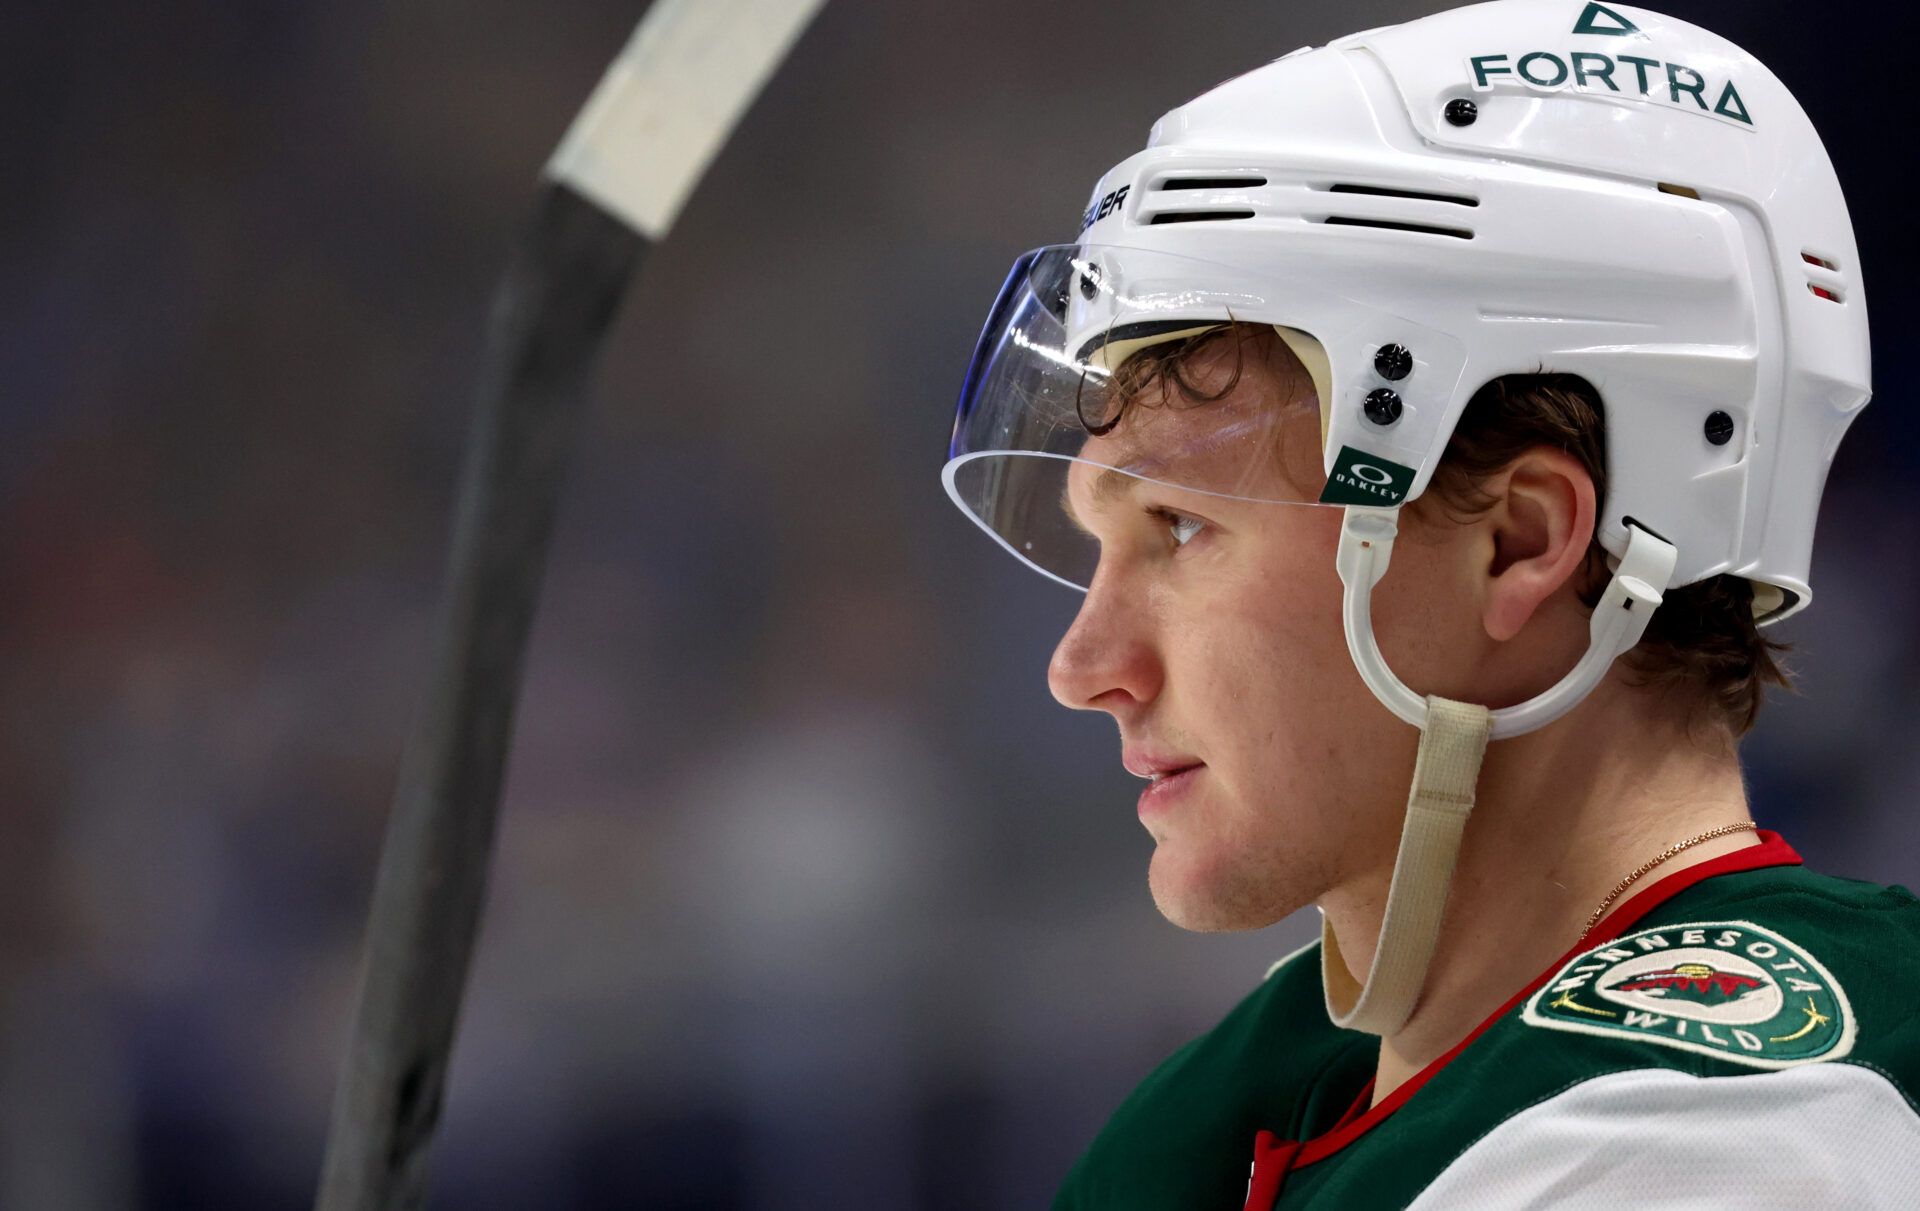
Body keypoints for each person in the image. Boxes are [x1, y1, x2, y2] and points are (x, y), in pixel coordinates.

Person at [941, 2, 1919, 1206]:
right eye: (1103, 540)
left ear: (1519, 542)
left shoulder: (1723, 1147)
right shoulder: (1308, 1059)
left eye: (1184, 526)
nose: (1085, 664)